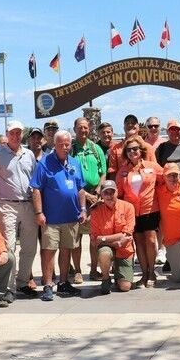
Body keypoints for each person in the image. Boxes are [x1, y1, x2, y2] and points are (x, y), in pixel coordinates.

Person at [31, 130, 87, 301]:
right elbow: (36, 189)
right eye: (61, 144)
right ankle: (48, 285)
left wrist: (83, 208)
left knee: (66, 251)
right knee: (48, 251)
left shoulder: (75, 163)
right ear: (54, 145)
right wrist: (39, 212)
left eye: (67, 144)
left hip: (71, 217)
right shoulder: (45, 163)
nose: (64, 147)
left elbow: (81, 188)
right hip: (51, 219)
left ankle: (63, 283)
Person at [0, 120, 39, 301]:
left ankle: (23, 282)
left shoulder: (29, 154)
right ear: (7, 134)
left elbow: (34, 179)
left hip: (28, 204)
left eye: (18, 132)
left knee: (30, 246)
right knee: (8, 247)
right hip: (7, 205)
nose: (16, 136)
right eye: (12, 133)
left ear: (22, 134)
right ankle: (8, 287)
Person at [115, 135, 164, 287]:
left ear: (141, 150)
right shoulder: (122, 171)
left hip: (150, 209)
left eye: (135, 149)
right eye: (129, 150)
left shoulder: (152, 166)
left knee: (150, 240)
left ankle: (151, 272)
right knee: (139, 242)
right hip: (132, 212)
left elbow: (166, 179)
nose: (132, 152)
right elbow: (119, 193)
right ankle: (144, 273)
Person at [72, 117, 107, 283]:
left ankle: (94, 270)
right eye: (80, 127)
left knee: (94, 236)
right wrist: (85, 194)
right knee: (76, 237)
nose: (83, 130)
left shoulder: (96, 148)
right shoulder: (70, 149)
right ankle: (78, 271)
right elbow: (67, 175)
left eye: (86, 127)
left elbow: (103, 173)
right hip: (76, 198)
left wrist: (99, 191)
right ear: (74, 129)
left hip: (95, 198)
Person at [90, 180, 136, 294]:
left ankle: (119, 275)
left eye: (112, 192)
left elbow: (126, 234)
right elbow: (95, 240)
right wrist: (116, 243)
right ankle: (106, 279)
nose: (109, 196)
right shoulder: (96, 211)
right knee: (104, 253)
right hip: (110, 247)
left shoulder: (128, 207)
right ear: (102, 195)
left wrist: (104, 239)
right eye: (106, 193)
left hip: (125, 250)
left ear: (117, 192)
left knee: (125, 287)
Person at [106, 114, 156, 180]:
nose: (130, 125)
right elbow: (113, 172)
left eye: (133, 123)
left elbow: (154, 169)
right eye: (127, 123)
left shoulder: (148, 147)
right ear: (124, 127)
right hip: (123, 187)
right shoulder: (115, 149)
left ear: (138, 126)